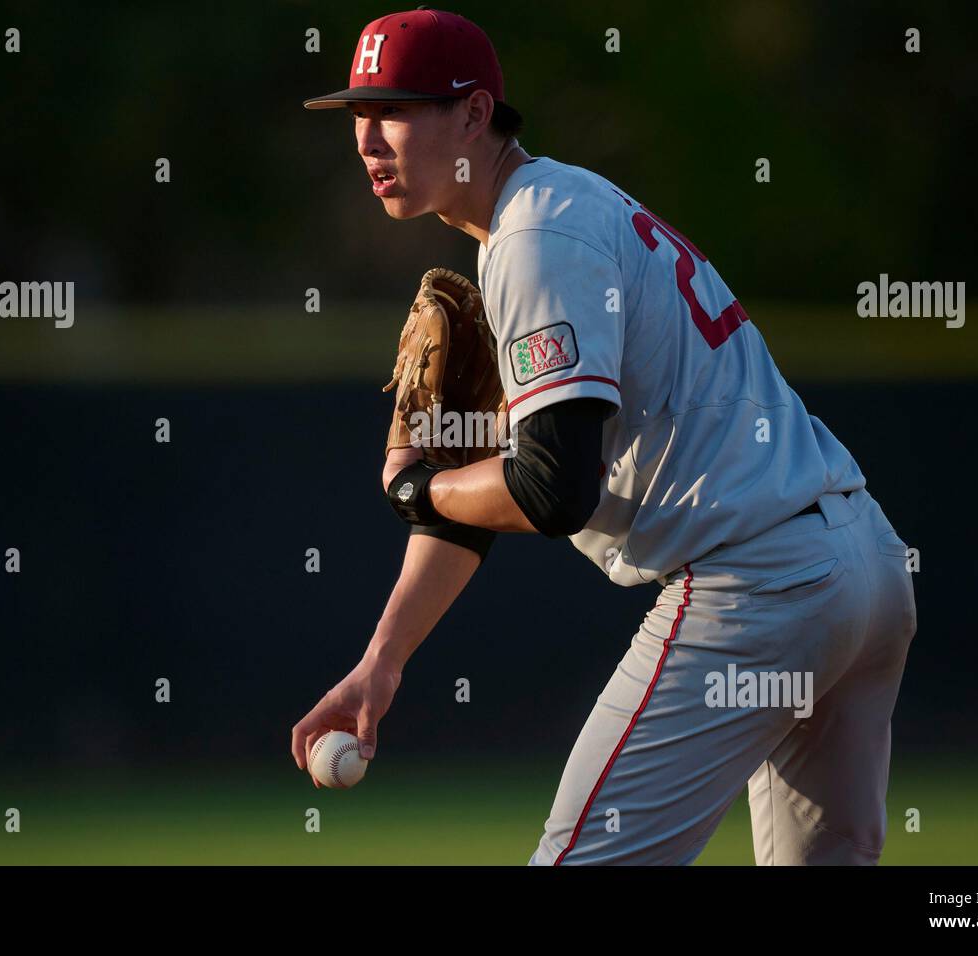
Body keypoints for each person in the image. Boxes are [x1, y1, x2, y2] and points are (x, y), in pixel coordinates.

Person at [290, 7, 918, 865]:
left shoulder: (536, 240)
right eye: (358, 114)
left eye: (395, 109)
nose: (368, 138)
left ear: (475, 114)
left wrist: (413, 484)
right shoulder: (558, 208)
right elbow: (502, 488)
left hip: (758, 587)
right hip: (861, 571)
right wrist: (382, 663)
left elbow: (551, 488)